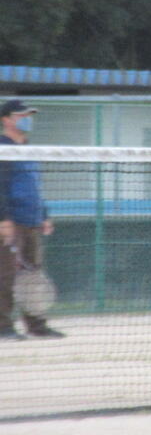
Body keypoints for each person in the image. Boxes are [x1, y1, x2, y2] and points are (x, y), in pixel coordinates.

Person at [0, 100, 64, 340]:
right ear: (6, 119)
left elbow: (34, 185)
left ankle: (36, 326)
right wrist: (3, 219)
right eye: (21, 115)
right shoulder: (2, 148)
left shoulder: (29, 148)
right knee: (5, 276)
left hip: (32, 221)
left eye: (29, 115)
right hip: (10, 222)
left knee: (32, 276)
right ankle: (3, 327)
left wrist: (43, 215)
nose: (27, 119)